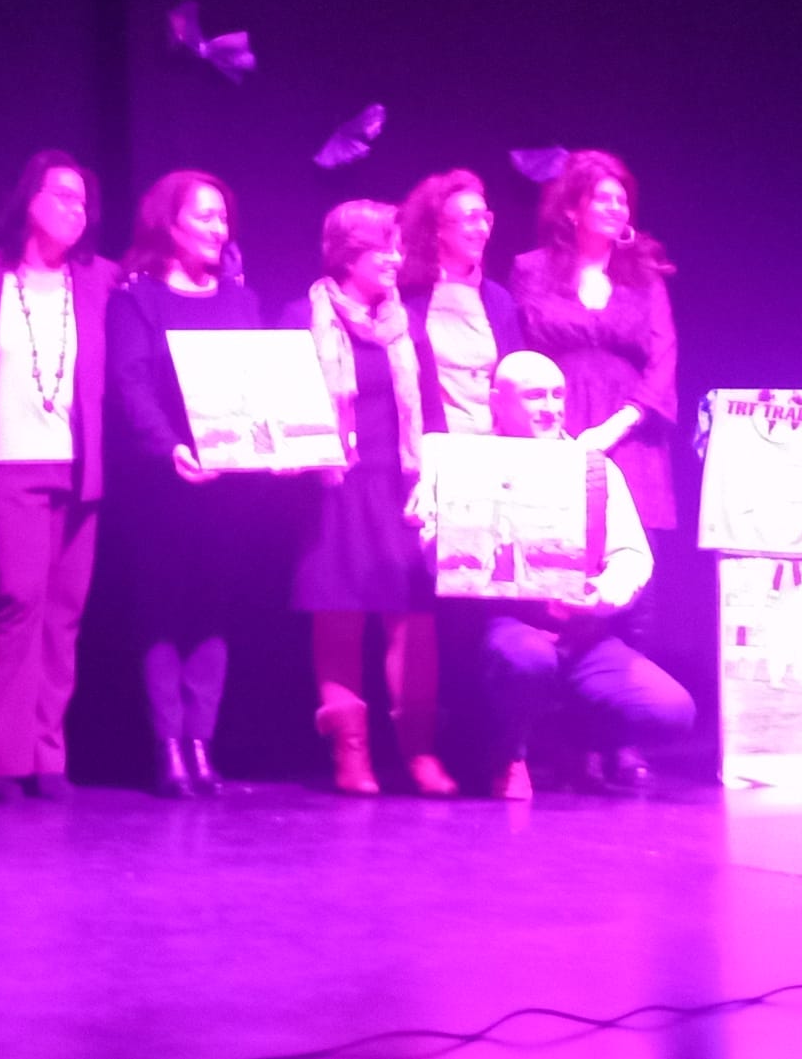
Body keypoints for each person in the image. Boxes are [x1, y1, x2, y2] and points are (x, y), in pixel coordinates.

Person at [509, 149, 678, 788]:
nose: (615, 207)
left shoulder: (645, 278)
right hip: (556, 431)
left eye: (622, 198)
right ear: (573, 208)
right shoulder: (530, 271)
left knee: (632, 594)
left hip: (629, 438)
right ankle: (565, 738)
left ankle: (620, 739)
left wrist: (615, 427)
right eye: (602, 197)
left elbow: (663, 362)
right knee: (557, 580)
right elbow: (518, 356)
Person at [474, 351, 695, 799]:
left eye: (558, 395)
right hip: (509, 628)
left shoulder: (594, 468)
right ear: (497, 401)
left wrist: (601, 595)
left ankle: (572, 741)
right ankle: (507, 755)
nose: (551, 408)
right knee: (526, 658)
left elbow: (631, 555)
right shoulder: (470, 464)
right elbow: (437, 555)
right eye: (535, 396)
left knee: (671, 711)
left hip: (579, 633)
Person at [105, 170, 261, 797]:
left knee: (212, 612)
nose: (219, 229)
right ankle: (168, 745)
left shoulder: (240, 301)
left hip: (227, 488)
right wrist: (169, 448)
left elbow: (256, 389)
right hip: (161, 484)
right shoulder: (136, 299)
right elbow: (131, 385)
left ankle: (202, 743)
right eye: (205, 216)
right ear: (170, 224)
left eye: (223, 217)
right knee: (163, 612)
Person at [0, 150, 116, 802]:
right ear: (29, 200)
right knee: (15, 602)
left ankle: (48, 754)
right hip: (5, 462)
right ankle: (4, 758)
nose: (76, 211)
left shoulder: (101, 279)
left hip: (79, 468)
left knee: (63, 613)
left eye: (84, 201)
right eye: (62, 196)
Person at [296, 201, 456, 797]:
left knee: (413, 620)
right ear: (347, 254)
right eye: (382, 248)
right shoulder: (302, 317)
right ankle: (351, 753)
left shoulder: (407, 324)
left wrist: (433, 480)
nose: (395, 258)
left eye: (398, 247)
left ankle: (419, 751)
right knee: (338, 613)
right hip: (334, 487)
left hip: (399, 486)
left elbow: (432, 412)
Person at [398, 169, 524, 437]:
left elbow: (518, 377)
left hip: (495, 444)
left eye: (486, 219)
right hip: (433, 443)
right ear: (438, 228)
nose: (483, 230)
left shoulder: (499, 301)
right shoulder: (408, 299)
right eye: (471, 218)